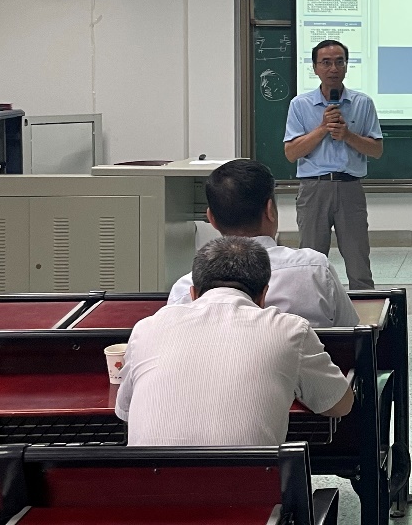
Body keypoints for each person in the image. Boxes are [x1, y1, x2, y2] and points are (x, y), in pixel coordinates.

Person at [116, 236, 353, 446]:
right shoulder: (290, 330)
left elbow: (124, 411)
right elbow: (340, 405)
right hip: (252, 484)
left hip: (147, 483)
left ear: (193, 294)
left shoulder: (145, 329)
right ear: (263, 295)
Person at [166, 158, 359, 328]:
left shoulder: (184, 290)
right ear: (270, 210)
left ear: (212, 219)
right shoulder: (315, 270)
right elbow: (351, 333)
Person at [284, 39, 383, 289]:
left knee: (358, 261)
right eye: (326, 63)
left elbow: (376, 150)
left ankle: (365, 310)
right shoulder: (300, 105)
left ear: (347, 66)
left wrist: (347, 135)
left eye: (340, 62)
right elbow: (291, 153)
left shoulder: (362, 103)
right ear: (315, 68)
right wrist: (322, 129)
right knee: (311, 262)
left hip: (350, 188)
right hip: (314, 189)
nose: (333, 69)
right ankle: (312, 309)